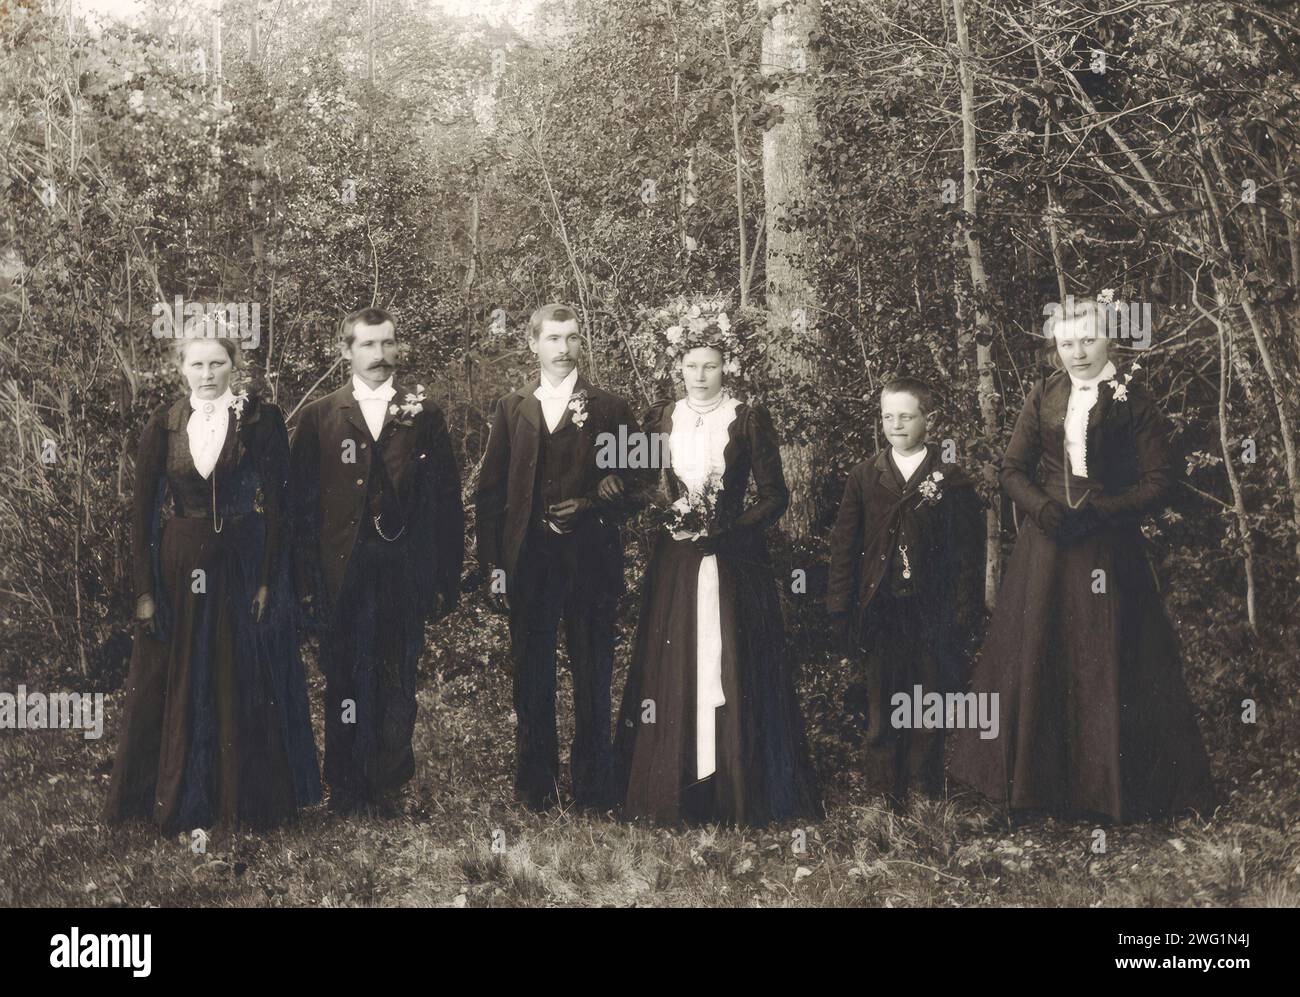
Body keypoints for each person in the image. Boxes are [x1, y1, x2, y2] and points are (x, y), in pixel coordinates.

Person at [949, 297, 1216, 822]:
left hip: (1108, 548)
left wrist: (1107, 510)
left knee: (1108, 659)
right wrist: (1041, 508)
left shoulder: (1132, 399)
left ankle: (1112, 792)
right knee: (1041, 655)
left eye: (1087, 340)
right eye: (1066, 343)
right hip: (1046, 548)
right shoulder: (1045, 392)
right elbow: (1010, 468)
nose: (1077, 352)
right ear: (1056, 347)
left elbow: (1162, 479)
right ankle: (1038, 789)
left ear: (1109, 340)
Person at [614, 305, 822, 826]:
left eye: (710, 364)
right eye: (691, 364)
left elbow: (776, 496)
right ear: (677, 366)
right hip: (677, 560)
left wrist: (725, 531)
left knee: (731, 660)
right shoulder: (661, 418)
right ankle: (675, 786)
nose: (700, 374)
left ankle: (738, 788)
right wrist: (663, 515)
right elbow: (640, 483)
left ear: (725, 364)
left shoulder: (749, 417)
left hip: (734, 558)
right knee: (677, 660)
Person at [105, 336, 321, 835]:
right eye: (197, 363)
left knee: (242, 671)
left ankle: (250, 802)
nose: (208, 372)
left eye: (218, 363)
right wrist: (145, 590)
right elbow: (141, 515)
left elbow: (282, 509)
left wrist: (269, 580)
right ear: (181, 369)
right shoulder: (164, 423)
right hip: (180, 564)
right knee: (181, 675)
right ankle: (178, 799)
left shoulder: (260, 421)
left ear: (234, 366)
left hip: (244, 561)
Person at [290, 307, 464, 813]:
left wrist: (443, 577)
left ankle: (390, 784)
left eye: (388, 344)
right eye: (368, 345)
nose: (380, 356)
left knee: (397, 676)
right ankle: (345, 786)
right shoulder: (321, 416)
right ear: (346, 350)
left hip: (401, 570)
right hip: (340, 573)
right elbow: (301, 507)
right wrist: (305, 581)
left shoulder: (423, 413)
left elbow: (445, 502)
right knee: (343, 676)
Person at [473, 303, 642, 811]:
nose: (563, 348)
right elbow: (490, 494)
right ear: (533, 344)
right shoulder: (512, 407)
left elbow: (644, 481)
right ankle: (535, 789)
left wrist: (597, 498)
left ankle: (594, 789)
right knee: (533, 675)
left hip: (591, 560)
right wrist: (494, 569)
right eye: (552, 338)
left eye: (571, 337)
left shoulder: (610, 407)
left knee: (593, 675)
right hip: (530, 565)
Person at [827, 377, 984, 805]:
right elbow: (844, 546)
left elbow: (968, 554)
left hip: (932, 611)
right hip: (883, 610)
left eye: (906, 416)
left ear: (927, 420)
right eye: (887, 416)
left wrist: (964, 612)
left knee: (928, 702)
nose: (896, 425)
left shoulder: (951, 480)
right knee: (883, 703)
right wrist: (840, 608)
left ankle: (922, 792)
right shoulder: (865, 476)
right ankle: (881, 795)